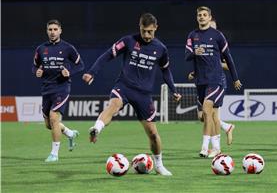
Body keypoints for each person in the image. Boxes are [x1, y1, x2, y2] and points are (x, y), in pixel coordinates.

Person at [82, 13, 181, 176]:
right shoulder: (128, 41)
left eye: (150, 31)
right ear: (139, 27)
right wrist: (92, 72)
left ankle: (159, 165)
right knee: (113, 105)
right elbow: (108, 55)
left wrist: (173, 89)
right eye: (144, 31)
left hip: (144, 95)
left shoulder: (161, 49)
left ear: (156, 28)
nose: (147, 35)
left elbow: (166, 71)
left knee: (153, 134)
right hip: (124, 86)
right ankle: (97, 128)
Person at [185, 6, 242, 158]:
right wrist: (193, 53)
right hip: (201, 82)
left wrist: (235, 78)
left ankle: (204, 147)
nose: (202, 17)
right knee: (208, 115)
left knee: (206, 109)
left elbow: (228, 58)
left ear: (210, 18)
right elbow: (187, 56)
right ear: (197, 18)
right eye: (199, 15)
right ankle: (217, 147)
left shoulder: (217, 36)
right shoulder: (192, 35)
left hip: (216, 80)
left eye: (205, 15)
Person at [32, 19, 84, 162]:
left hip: (62, 87)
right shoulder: (41, 49)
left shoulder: (68, 48)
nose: (53, 32)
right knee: (49, 125)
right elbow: (34, 66)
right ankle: (70, 133)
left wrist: (70, 72)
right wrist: (37, 72)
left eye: (55, 29)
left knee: (54, 117)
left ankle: (54, 154)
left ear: (60, 30)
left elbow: (80, 65)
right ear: (47, 31)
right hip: (46, 88)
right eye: (50, 29)